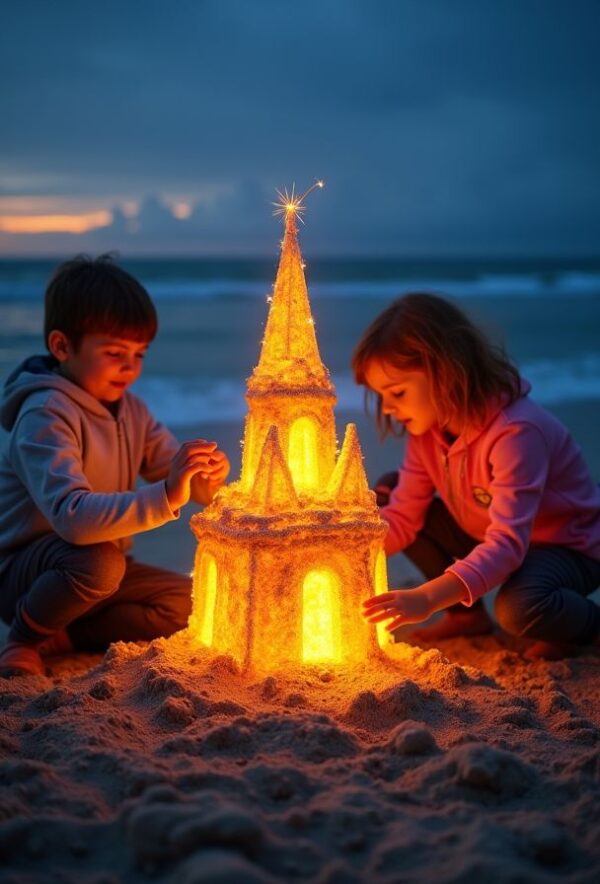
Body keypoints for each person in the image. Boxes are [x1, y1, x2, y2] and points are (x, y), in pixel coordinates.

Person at [0, 255, 230, 677]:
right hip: (25, 572)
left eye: (139, 353)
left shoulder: (132, 410)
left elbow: (177, 475)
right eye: (114, 352)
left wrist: (205, 476)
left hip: (102, 572)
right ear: (62, 346)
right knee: (99, 562)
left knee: (199, 603)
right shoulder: (44, 414)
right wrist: (166, 495)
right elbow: (73, 521)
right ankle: (23, 638)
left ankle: (65, 637)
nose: (130, 367)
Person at [355, 293, 600, 659]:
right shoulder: (428, 433)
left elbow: (507, 545)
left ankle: (587, 627)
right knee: (389, 496)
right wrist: (340, 553)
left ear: (445, 370)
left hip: (567, 546)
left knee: (518, 608)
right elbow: (404, 517)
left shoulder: (517, 432)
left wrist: (426, 598)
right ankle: (466, 616)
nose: (388, 407)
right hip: (493, 535)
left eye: (397, 392)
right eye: (382, 396)